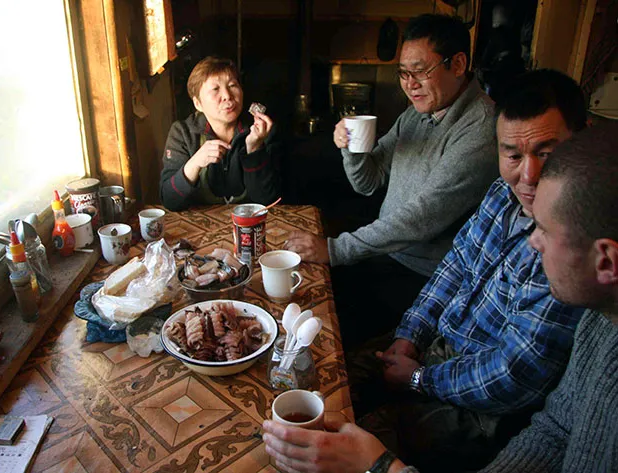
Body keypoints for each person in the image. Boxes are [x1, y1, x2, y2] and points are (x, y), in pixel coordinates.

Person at [263, 69, 589, 473]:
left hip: (479, 408)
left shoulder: (573, 247)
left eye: (546, 152)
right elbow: (453, 267)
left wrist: (420, 380)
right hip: (434, 349)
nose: (528, 176)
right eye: (513, 155)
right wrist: (409, 335)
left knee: (332, 442)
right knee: (319, 382)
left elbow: (513, 376)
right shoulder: (500, 193)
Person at [284, 14, 498, 341]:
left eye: (420, 71)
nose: (409, 83)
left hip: (424, 277)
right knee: (302, 291)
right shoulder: (416, 114)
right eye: (403, 72)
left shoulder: (479, 131)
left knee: (326, 331)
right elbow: (367, 182)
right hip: (387, 256)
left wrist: (335, 249)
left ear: (457, 64)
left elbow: (421, 219)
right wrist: (352, 148)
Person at [160, 56, 281, 211]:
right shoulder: (183, 133)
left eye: (232, 85)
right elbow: (170, 200)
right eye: (215, 89)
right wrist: (195, 163)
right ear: (198, 103)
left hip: (249, 226)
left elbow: (267, 201)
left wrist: (254, 149)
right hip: (199, 230)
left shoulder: (262, 130)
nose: (227, 96)